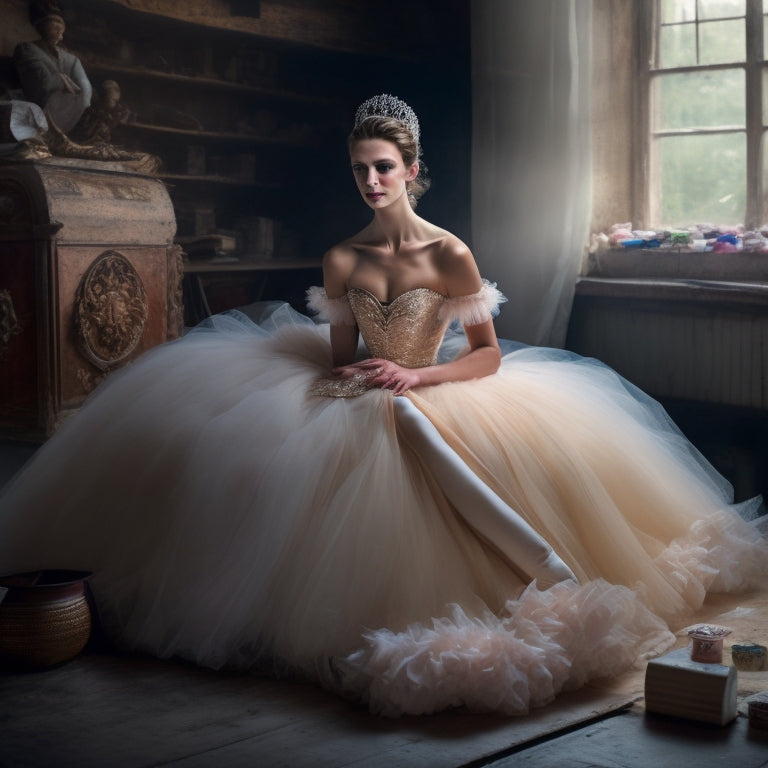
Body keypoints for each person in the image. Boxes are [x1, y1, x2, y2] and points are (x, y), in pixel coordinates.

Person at [0, 95, 765, 717]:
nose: (371, 182)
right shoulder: (342, 258)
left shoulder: (449, 253)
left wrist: (421, 380)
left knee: (408, 421)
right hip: (359, 385)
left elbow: (489, 354)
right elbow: (339, 356)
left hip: (436, 385)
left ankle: (555, 573)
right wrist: (361, 380)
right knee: (298, 441)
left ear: (412, 170)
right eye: (361, 170)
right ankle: (542, 571)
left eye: (384, 169)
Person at [13, 1, 92, 134]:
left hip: (63, 123)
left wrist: (65, 82)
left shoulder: (72, 60)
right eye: (53, 28)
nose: (57, 33)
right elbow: (43, 84)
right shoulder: (26, 49)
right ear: (40, 27)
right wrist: (64, 81)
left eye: (60, 29)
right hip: (37, 112)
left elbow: (85, 94)